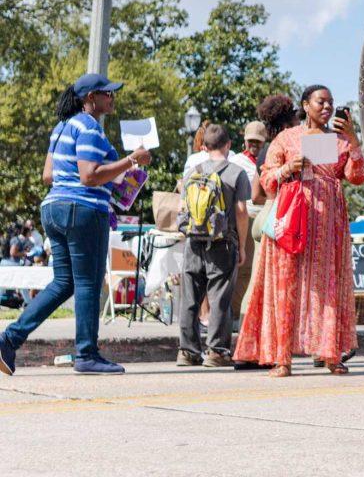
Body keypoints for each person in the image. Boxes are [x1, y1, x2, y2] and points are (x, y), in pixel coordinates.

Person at [0, 74, 152, 377]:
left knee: (64, 282)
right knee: (87, 283)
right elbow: (89, 176)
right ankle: (87, 354)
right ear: (91, 98)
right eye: (107, 93)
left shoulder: (62, 128)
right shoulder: (90, 127)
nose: (113, 98)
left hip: (53, 208)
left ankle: (9, 339)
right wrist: (132, 162)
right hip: (82, 211)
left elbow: (47, 175)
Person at [235, 85, 364, 377]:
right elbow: (266, 181)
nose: (327, 107)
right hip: (293, 218)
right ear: (306, 105)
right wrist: (288, 169)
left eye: (331, 103)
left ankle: (331, 354)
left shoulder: (340, 140)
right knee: (286, 286)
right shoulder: (286, 138)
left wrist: (355, 143)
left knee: (328, 288)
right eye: (321, 102)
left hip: (329, 223)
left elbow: (356, 176)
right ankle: (282, 359)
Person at [177, 124, 250, 368]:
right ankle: (217, 352)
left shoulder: (192, 172)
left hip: (193, 241)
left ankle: (187, 352)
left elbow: (181, 209)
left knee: (190, 297)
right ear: (228, 145)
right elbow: (241, 211)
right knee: (219, 297)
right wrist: (242, 245)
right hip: (222, 242)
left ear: (205, 147)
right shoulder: (236, 173)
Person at [229, 121, 266, 318]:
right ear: (244, 140)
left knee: (256, 272)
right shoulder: (236, 161)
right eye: (251, 141)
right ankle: (234, 313)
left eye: (258, 142)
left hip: (264, 218)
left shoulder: (268, 159)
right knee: (244, 268)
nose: (255, 145)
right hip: (245, 217)